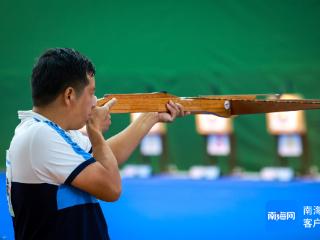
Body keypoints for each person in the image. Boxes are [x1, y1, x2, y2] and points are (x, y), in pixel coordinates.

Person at [6, 48, 188, 240]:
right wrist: (95, 131)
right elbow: (111, 188)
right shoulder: (40, 136)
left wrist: (151, 117)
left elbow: (105, 157)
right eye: (91, 93)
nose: (95, 102)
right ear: (69, 95)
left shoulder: (51, 131)